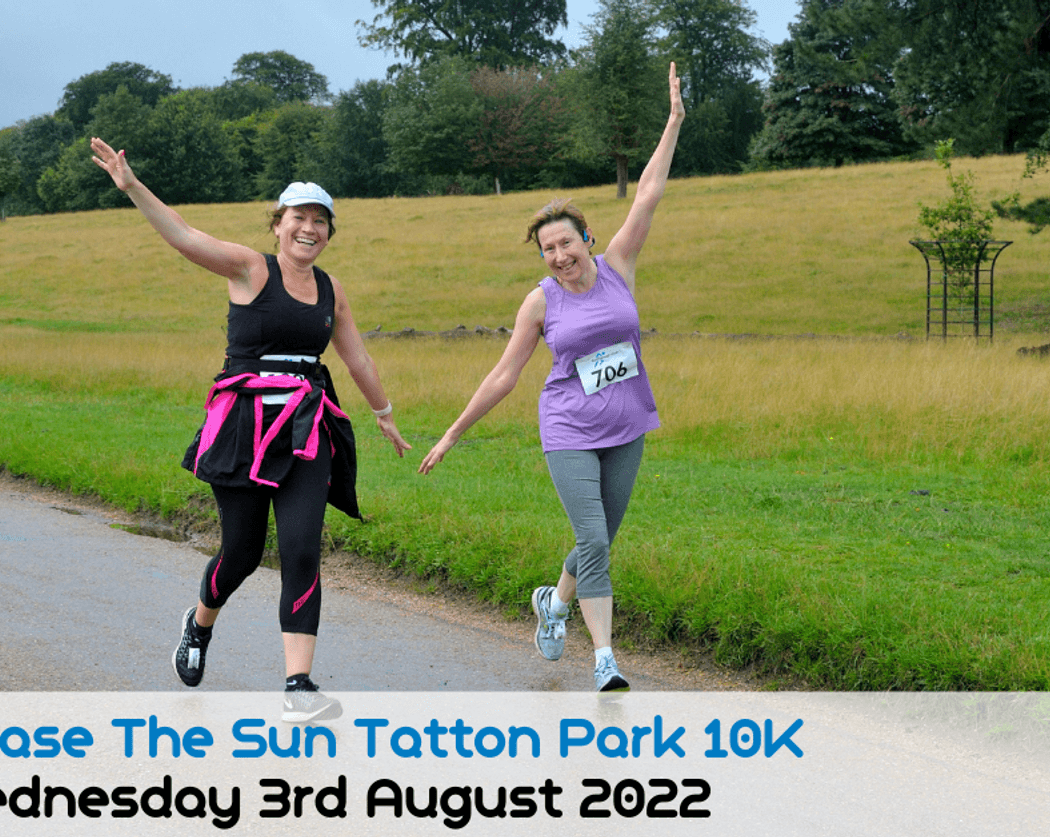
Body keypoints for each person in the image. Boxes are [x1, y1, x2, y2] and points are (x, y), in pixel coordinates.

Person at [90, 138, 410, 721]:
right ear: (279, 224)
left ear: (328, 232)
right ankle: (199, 623)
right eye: (298, 219)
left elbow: (357, 359)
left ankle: (298, 685)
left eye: (320, 222)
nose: (308, 229)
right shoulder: (248, 267)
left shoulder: (332, 291)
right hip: (242, 426)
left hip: (304, 431)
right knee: (241, 552)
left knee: (300, 549)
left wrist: (384, 414)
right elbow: (185, 236)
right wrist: (132, 185)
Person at [418, 63, 685, 693]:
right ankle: (604, 659)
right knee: (594, 536)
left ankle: (555, 603)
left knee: (598, 540)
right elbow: (505, 374)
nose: (560, 255)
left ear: (588, 239)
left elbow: (646, 193)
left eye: (567, 243)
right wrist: (454, 432)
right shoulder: (540, 302)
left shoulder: (618, 265)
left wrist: (672, 121)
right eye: (548, 249)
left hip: (626, 424)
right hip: (568, 426)